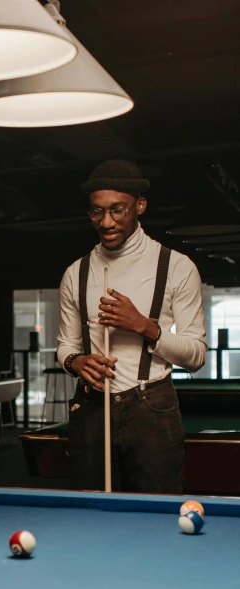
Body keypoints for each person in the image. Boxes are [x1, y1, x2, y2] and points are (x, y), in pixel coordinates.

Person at [57, 159, 207, 493]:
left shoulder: (177, 267)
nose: (106, 222)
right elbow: (66, 345)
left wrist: (144, 326)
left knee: (159, 511)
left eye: (118, 210)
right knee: (89, 511)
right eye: (96, 212)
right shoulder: (75, 273)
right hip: (92, 408)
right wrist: (75, 362)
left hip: (151, 406)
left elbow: (196, 356)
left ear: (140, 206)